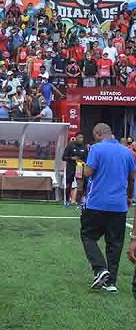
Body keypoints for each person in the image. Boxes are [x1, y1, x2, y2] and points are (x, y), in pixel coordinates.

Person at [81, 123, 135, 293]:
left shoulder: (96, 149)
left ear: (98, 133)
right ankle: (110, 282)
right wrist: (129, 197)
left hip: (97, 203)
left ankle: (100, 269)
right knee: (115, 243)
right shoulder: (127, 152)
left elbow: (88, 173)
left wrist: (82, 166)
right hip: (119, 205)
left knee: (88, 236)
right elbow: (132, 178)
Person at [62, 132, 88, 206]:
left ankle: (80, 200)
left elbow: (87, 158)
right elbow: (63, 157)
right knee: (69, 184)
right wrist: (72, 158)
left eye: (82, 138)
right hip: (71, 168)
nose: (81, 139)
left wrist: (83, 162)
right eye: (80, 137)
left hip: (80, 168)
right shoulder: (70, 146)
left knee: (82, 184)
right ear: (76, 138)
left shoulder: (84, 147)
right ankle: (67, 200)